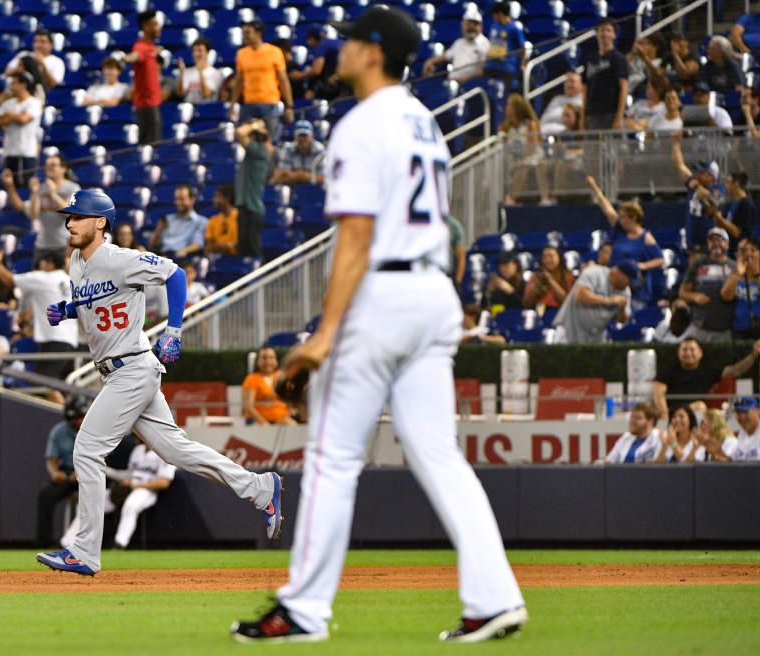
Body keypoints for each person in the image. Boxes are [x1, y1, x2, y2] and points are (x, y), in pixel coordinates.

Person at [231, 7, 526, 644]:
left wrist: (325, 332)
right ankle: (494, 597)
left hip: (385, 295)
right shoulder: (424, 120)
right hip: (434, 293)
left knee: (334, 458)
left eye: (349, 42)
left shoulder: (362, 124)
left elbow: (357, 238)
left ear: (371, 52)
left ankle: (302, 610)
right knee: (439, 453)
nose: (340, 51)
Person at [36, 189, 283, 576]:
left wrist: (174, 329)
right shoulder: (75, 262)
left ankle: (84, 551)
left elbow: (176, 274)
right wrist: (67, 310)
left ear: (100, 222)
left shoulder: (120, 258)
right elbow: (98, 303)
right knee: (177, 451)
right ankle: (259, 487)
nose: (70, 222)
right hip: (119, 371)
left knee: (86, 448)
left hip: (132, 367)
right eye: (68, 216)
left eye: (78, 216)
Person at [0, 244, 79, 388]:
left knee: (44, 384)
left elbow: (9, 280)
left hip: (54, 341)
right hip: (71, 342)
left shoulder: (44, 277)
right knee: (56, 385)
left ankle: (68, 410)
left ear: (49, 263)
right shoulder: (69, 281)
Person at [62, 436, 175, 550]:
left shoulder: (165, 453)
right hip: (131, 485)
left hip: (147, 490)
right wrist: (107, 470)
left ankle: (120, 544)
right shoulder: (138, 450)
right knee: (92, 502)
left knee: (130, 506)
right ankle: (67, 542)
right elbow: (130, 474)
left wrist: (135, 486)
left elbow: (163, 483)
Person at [652, 337, 760, 420]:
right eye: (684, 350)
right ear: (679, 353)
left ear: (700, 353)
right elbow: (658, 391)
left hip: (698, 414)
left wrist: (753, 356)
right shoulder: (669, 370)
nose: (688, 353)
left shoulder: (708, 370)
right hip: (671, 414)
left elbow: (735, 371)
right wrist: (664, 413)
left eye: (692, 350)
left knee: (700, 407)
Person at [585, 177, 664, 293]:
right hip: (613, 282)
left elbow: (660, 260)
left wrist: (642, 265)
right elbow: (607, 209)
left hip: (633, 287)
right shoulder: (620, 231)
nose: (620, 219)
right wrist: (594, 188)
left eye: (623, 217)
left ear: (634, 217)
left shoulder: (645, 237)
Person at [1, 154, 80, 263]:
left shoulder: (72, 188)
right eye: (47, 165)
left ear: (63, 168)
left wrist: (53, 194)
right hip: (42, 245)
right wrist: (34, 193)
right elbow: (33, 215)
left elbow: (70, 213)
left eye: (53, 165)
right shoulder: (41, 188)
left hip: (66, 245)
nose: (49, 168)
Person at [230, 18, 295, 141]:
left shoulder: (274, 52)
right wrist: (233, 104)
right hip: (249, 104)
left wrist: (289, 106)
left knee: (271, 140)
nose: (245, 35)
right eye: (244, 32)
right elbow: (239, 81)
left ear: (258, 33)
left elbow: (283, 80)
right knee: (248, 142)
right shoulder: (241, 54)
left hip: (270, 103)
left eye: (248, 32)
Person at [36, 395, 87, 548]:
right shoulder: (59, 431)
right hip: (67, 473)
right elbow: (52, 459)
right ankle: (45, 543)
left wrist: (81, 472)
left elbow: (104, 456)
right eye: (73, 418)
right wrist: (55, 473)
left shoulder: (93, 428)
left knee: (102, 496)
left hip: (89, 471)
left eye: (80, 417)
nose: (77, 421)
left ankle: (96, 543)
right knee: (45, 494)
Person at [551, 260, 635, 344]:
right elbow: (580, 295)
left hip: (595, 336)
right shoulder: (594, 272)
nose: (629, 284)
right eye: (629, 280)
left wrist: (621, 308)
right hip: (569, 328)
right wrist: (608, 300)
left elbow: (621, 320)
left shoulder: (625, 291)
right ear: (620, 274)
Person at [670, 133, 727, 252]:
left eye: (701, 173)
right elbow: (680, 166)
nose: (697, 175)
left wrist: (696, 186)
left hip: (709, 241)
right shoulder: (694, 182)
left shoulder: (719, 189)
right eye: (697, 172)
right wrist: (676, 144)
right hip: (691, 240)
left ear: (711, 176)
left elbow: (715, 204)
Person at [678, 227, 736, 343]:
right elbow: (682, 293)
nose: (716, 243)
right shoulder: (698, 264)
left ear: (727, 244)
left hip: (725, 328)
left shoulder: (735, 267)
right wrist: (695, 297)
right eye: (712, 240)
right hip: (699, 327)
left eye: (720, 240)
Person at [0, 72, 43, 187]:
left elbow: (24, 119)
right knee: (9, 186)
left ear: (23, 85)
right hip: (9, 152)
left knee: (26, 187)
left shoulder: (34, 102)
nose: (11, 87)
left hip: (27, 152)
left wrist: (9, 115)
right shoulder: (7, 103)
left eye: (14, 83)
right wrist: (14, 117)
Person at [720, 237, 760, 339]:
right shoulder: (735, 272)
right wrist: (738, 274)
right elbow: (726, 297)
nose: (748, 254)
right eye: (744, 251)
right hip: (741, 328)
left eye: (753, 250)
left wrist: (757, 275)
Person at [122, 10, 163, 145]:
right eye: (155, 24)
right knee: (150, 145)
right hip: (146, 105)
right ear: (146, 27)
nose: (159, 28)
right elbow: (136, 55)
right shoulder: (141, 46)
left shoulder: (151, 47)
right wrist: (127, 58)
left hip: (154, 103)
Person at [235, 119, 273, 259]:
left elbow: (239, 132)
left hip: (252, 209)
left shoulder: (260, 151)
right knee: (244, 250)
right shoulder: (257, 152)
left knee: (253, 249)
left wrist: (255, 125)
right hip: (246, 208)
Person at [581, 18, 628, 130]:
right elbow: (585, 89)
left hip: (611, 113)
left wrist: (619, 117)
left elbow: (624, 87)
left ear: (614, 35)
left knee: (613, 147)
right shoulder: (590, 59)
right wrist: (583, 116)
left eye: (608, 30)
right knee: (592, 147)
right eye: (602, 30)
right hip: (592, 114)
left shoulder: (619, 58)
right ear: (597, 33)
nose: (605, 33)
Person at [421, 5, 489, 84]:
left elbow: (485, 71)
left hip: (471, 84)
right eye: (468, 24)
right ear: (463, 25)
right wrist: (430, 61)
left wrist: (468, 79)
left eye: (475, 24)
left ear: (481, 27)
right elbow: (446, 56)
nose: (471, 27)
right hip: (452, 82)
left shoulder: (485, 44)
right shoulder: (459, 43)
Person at [501, 94, 548, 205]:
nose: (506, 107)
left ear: (517, 108)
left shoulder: (530, 125)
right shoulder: (506, 127)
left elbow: (531, 149)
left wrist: (519, 161)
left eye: (509, 105)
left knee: (524, 164)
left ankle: (512, 198)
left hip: (533, 156)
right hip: (514, 158)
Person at [148, 184, 208, 259]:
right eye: (176, 199)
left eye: (182, 199)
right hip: (163, 257)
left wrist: (184, 251)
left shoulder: (201, 221)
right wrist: (158, 231)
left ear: (192, 200)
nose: (178, 202)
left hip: (184, 259)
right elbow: (153, 246)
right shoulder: (167, 219)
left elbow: (198, 243)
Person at [242, 346, 297, 426]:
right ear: (258, 361)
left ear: (276, 361)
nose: (268, 361)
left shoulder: (282, 377)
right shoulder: (252, 379)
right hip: (258, 422)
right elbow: (248, 407)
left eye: (271, 358)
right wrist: (264, 423)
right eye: (264, 358)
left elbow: (290, 400)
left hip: (281, 420)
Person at [712, 396, 760, 460]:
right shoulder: (743, 433)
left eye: (745, 412)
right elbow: (733, 463)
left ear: (757, 411)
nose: (742, 417)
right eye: (738, 413)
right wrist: (718, 452)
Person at [708, 171, 755, 252]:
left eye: (728, 183)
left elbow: (737, 232)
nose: (726, 186)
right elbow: (720, 225)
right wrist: (714, 211)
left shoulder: (746, 204)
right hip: (728, 249)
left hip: (740, 250)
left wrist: (721, 219)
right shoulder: (729, 204)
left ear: (736, 184)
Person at [269, 119, 325, 186]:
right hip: (292, 188)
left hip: (315, 190)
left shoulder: (320, 150)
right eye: (300, 135)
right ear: (295, 136)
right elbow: (282, 174)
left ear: (312, 135)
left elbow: (324, 178)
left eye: (305, 135)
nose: (302, 139)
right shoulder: (288, 148)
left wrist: (304, 176)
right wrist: (299, 176)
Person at [484, 2, 526, 89]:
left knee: (510, 90)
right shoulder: (494, 25)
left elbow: (523, 48)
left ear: (500, 14)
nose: (493, 16)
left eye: (494, 14)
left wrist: (522, 65)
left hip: (507, 67)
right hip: (491, 65)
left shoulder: (514, 29)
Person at [176, 37, 222, 105]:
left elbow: (206, 94)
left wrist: (200, 72)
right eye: (194, 51)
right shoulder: (187, 72)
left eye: (200, 51)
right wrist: (181, 73)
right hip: (189, 108)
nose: (196, 54)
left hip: (206, 110)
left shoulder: (215, 73)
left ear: (207, 53)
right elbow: (180, 93)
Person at [539, 71, 584, 135]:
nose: (568, 84)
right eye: (566, 82)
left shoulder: (583, 101)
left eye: (572, 81)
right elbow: (543, 119)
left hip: (565, 137)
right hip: (543, 133)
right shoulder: (556, 99)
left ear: (581, 84)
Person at [204, 184, 239, 256]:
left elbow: (240, 246)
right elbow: (208, 248)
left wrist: (227, 247)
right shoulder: (212, 220)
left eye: (218, 196)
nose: (215, 200)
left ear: (228, 198)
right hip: (218, 260)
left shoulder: (240, 218)